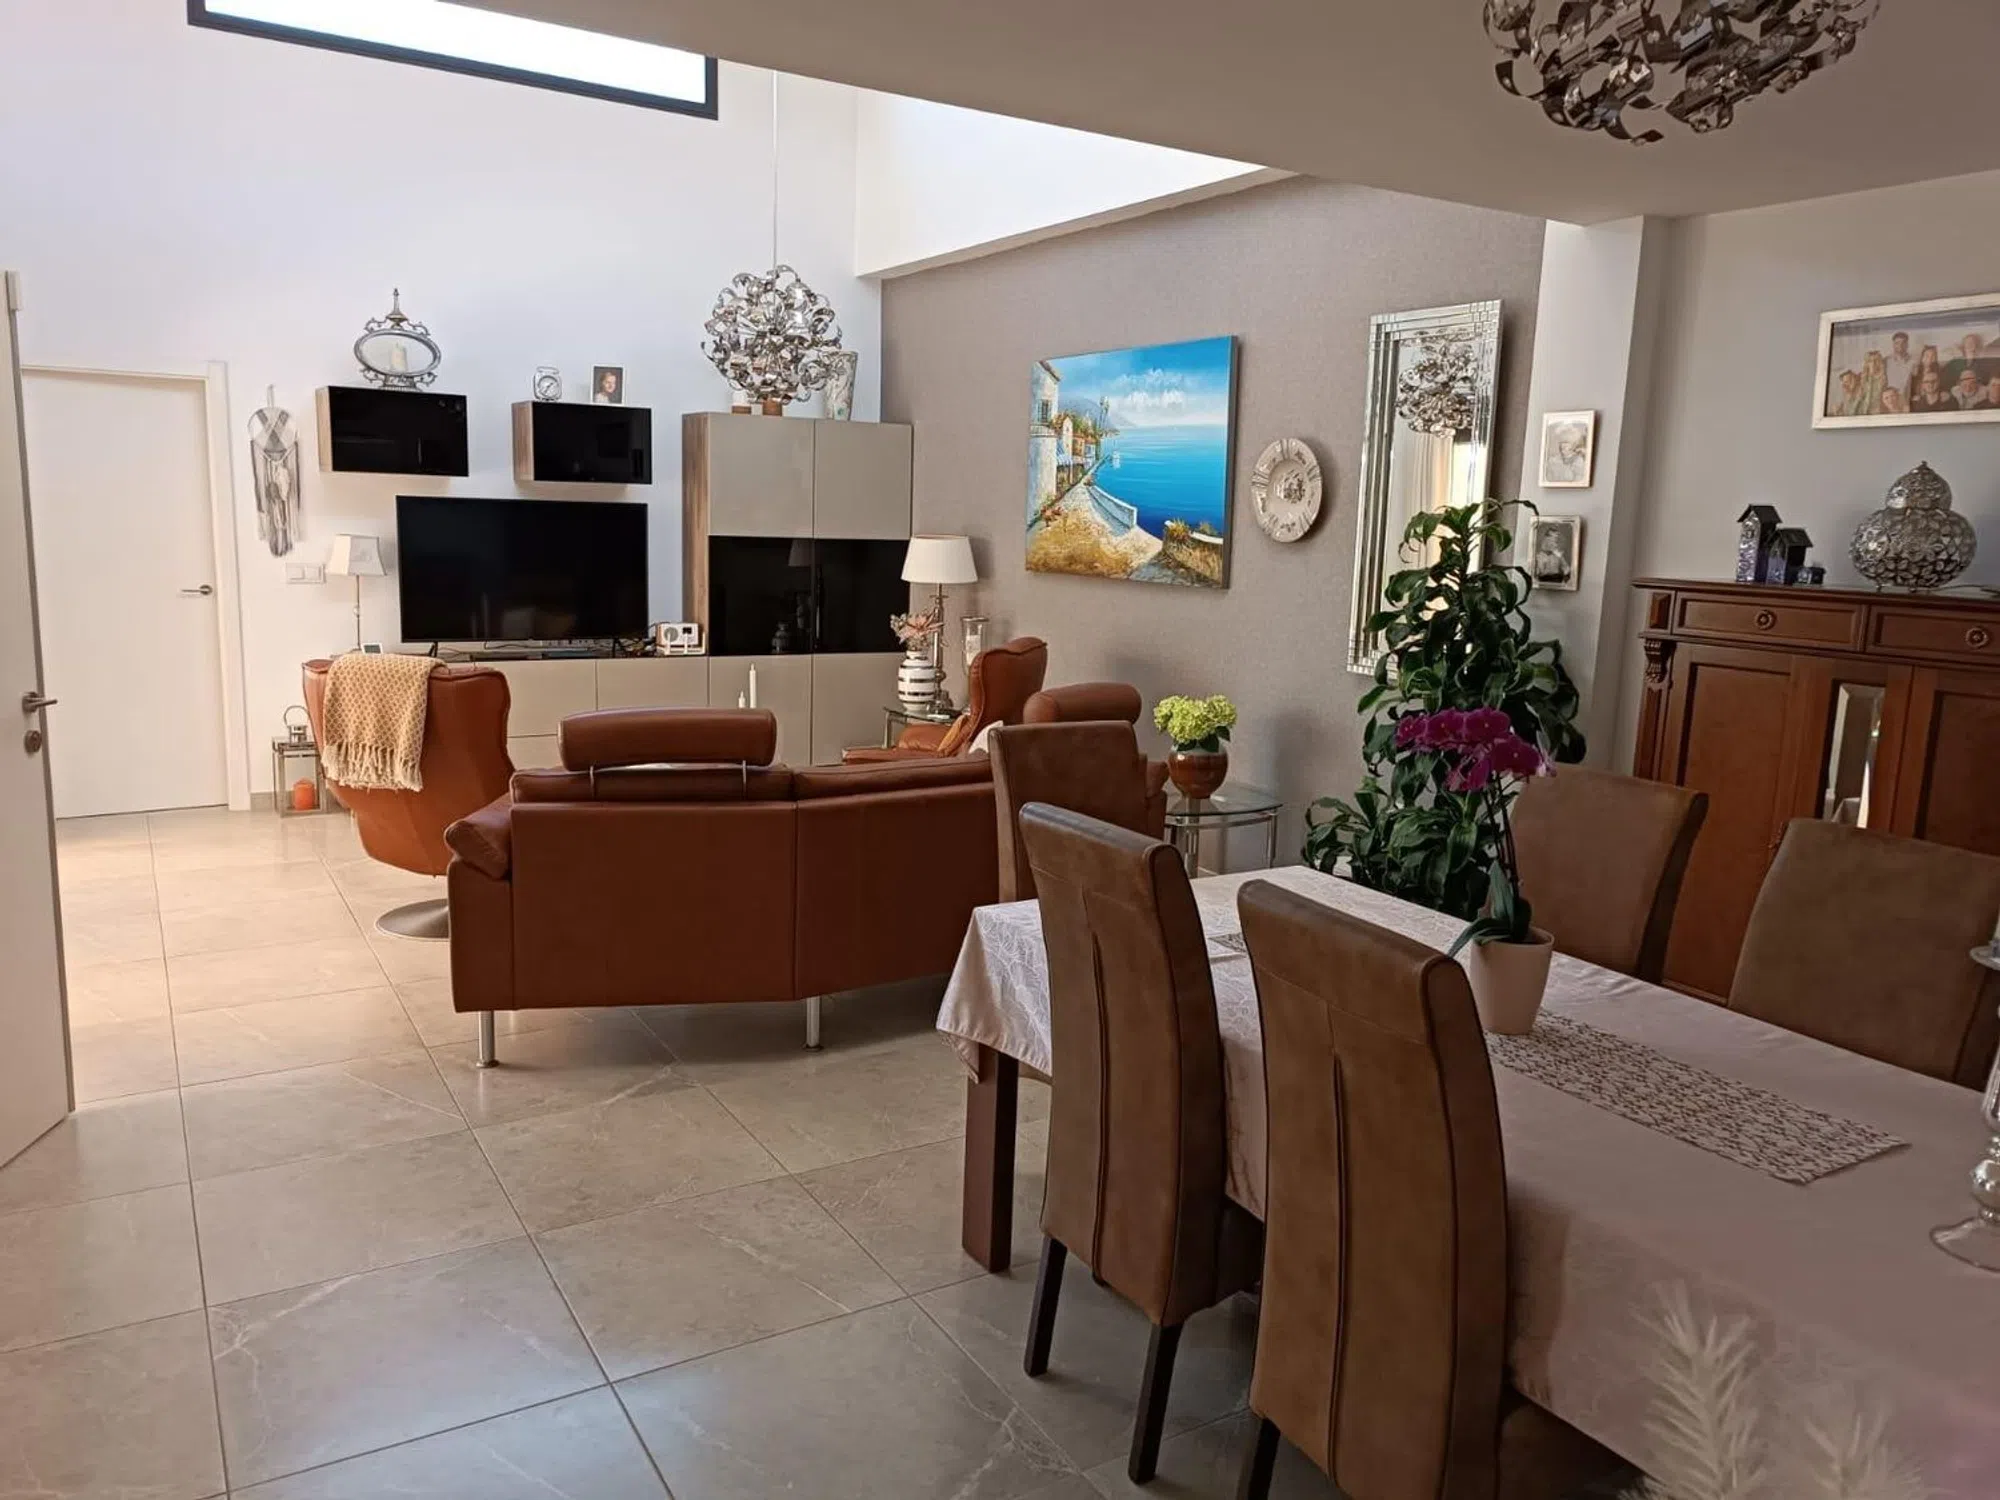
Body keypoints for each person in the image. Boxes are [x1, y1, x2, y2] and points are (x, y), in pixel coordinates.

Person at [1883, 331, 1916, 401]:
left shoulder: (1914, 362)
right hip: (1890, 399)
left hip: (1906, 398)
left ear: (1907, 345)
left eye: (1903, 343)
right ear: (1893, 345)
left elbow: (1916, 382)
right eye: (1897, 343)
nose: (1900, 346)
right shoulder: (1886, 361)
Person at [1859, 349, 1888, 415]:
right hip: (1864, 412)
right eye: (1870, 361)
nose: (1873, 364)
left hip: (1879, 412)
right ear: (1867, 363)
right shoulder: (1863, 379)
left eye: (1876, 361)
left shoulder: (1885, 378)